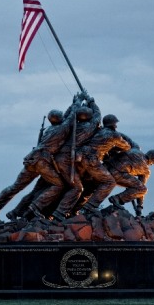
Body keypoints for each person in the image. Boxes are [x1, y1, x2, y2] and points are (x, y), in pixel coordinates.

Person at [0, 93, 82, 221]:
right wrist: (78, 102)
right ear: (59, 119)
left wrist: (73, 103)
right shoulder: (61, 129)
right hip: (42, 162)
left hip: (32, 159)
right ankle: (35, 207)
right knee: (59, 185)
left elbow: (66, 117)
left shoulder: (50, 129)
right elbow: (70, 118)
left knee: (16, 186)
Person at [35, 93, 101, 221]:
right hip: (66, 160)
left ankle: (39, 210)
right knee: (77, 188)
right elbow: (97, 118)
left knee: (61, 185)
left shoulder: (67, 126)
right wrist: (92, 102)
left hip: (56, 159)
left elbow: (66, 117)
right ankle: (59, 213)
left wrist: (75, 103)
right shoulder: (88, 128)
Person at [74, 114, 133, 213]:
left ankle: (74, 209)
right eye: (115, 124)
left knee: (86, 183)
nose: (116, 126)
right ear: (113, 124)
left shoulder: (99, 130)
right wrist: (115, 146)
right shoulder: (114, 135)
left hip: (80, 156)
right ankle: (89, 207)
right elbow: (126, 147)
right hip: (91, 159)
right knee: (109, 182)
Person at [106, 149, 154, 216]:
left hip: (107, 166)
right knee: (143, 189)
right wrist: (139, 206)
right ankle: (117, 198)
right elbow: (141, 187)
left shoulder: (136, 150)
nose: (151, 165)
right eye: (152, 163)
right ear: (151, 161)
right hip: (117, 173)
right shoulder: (146, 170)